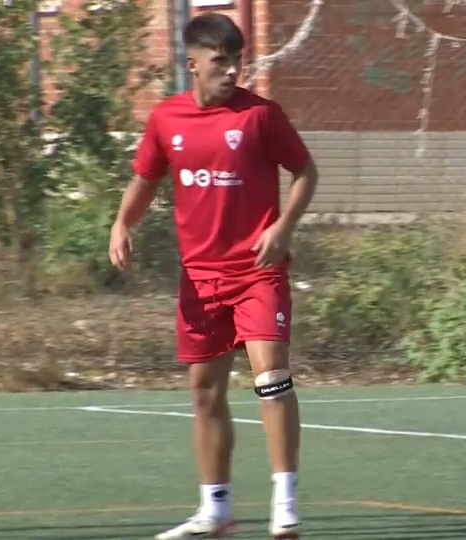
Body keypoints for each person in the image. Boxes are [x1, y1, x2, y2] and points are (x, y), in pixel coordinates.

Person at [107, 12, 318, 540]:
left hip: (257, 272)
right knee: (204, 393)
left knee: (271, 377)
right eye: (220, 62)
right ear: (193, 64)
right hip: (199, 279)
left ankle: (284, 499)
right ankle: (215, 509)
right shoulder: (165, 120)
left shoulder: (261, 116)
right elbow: (145, 178)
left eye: (236, 62)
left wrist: (284, 229)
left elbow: (306, 172)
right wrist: (121, 223)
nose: (231, 72)